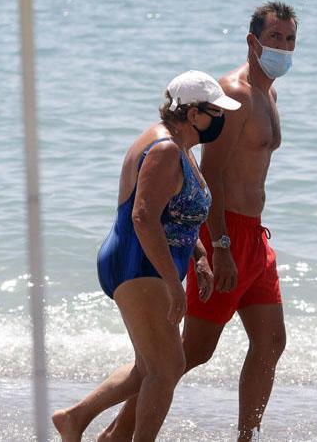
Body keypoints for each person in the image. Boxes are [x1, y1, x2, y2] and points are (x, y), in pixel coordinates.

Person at [103, 1, 297, 442]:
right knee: (188, 352)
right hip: (225, 231)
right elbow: (210, 173)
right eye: (274, 38)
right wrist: (220, 246)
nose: (283, 48)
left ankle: (247, 437)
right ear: (253, 41)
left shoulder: (269, 94)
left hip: (255, 236)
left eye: (289, 40)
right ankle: (115, 431)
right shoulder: (238, 95)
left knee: (271, 342)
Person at [52, 70, 241, 442]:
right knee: (167, 368)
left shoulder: (180, 146)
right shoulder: (166, 148)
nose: (221, 118)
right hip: (138, 263)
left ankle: (75, 418)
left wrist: (199, 256)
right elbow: (143, 216)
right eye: (216, 112)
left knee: (150, 365)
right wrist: (173, 286)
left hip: (147, 262)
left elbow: (176, 213)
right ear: (192, 113)